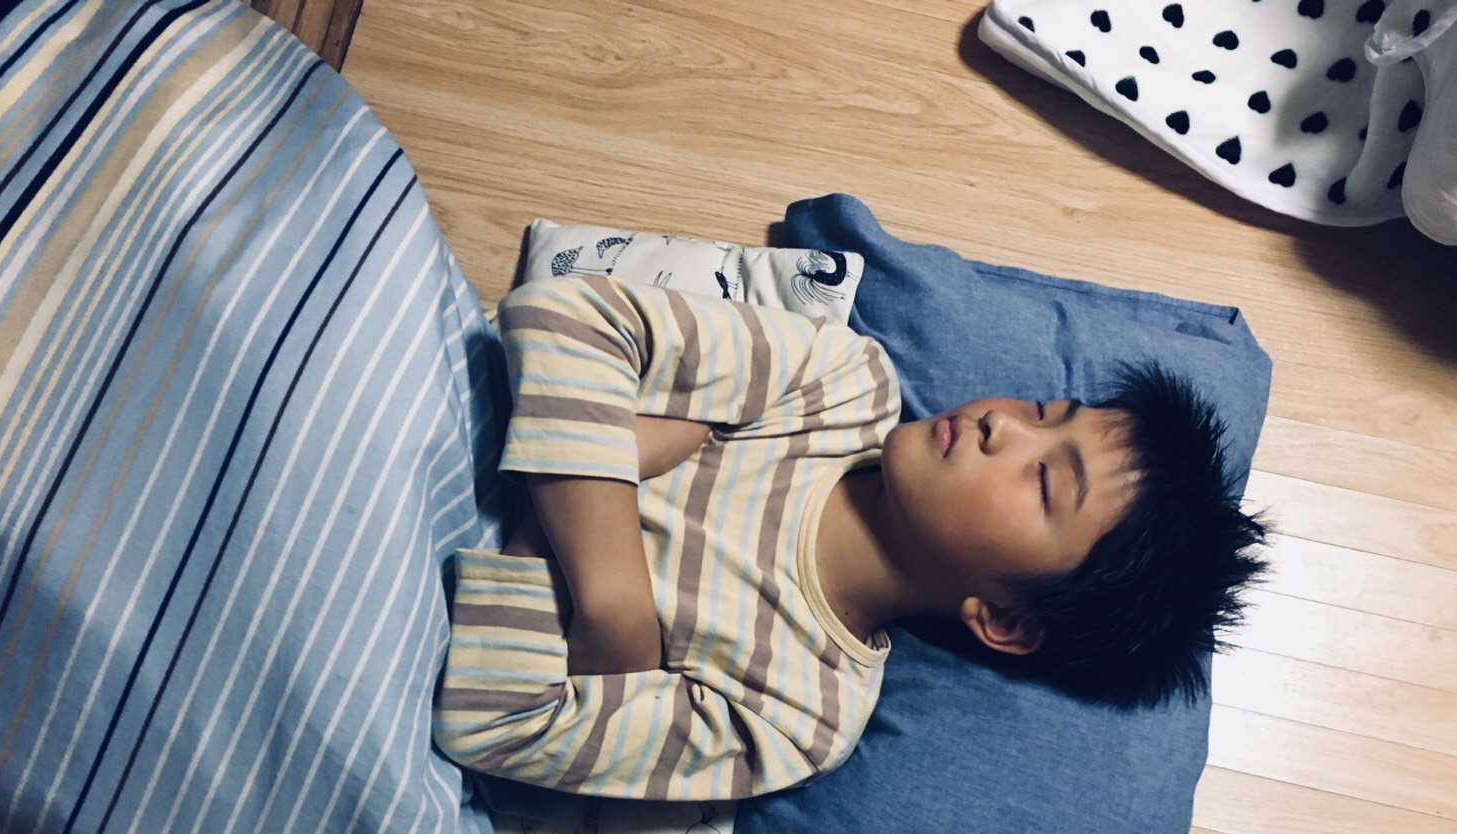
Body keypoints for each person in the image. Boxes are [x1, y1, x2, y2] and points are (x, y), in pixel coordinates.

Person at [433, 275, 1265, 800]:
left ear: (1006, 620)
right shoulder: (837, 385)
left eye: (1045, 481)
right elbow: (559, 314)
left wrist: (596, 467)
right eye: (1047, 411)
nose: (1004, 424)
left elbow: (495, 725)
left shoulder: (800, 716)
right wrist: (611, 603)